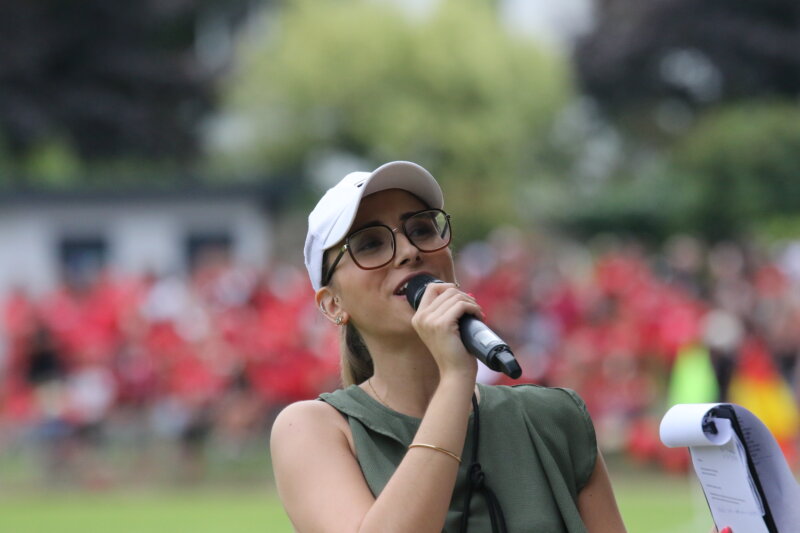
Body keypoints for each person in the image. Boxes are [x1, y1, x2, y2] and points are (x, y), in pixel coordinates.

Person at [270, 161, 726, 533]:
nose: (409, 251)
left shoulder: (556, 418)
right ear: (332, 305)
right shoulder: (313, 429)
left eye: (422, 229)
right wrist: (454, 380)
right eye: (370, 243)